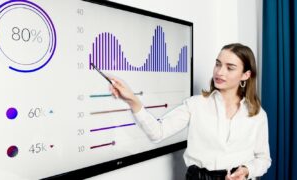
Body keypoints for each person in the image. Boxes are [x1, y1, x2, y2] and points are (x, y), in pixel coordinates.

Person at [109, 43, 271, 180]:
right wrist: (133, 100)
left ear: (245, 75)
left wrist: (247, 170)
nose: (220, 72)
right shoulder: (195, 105)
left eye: (230, 68)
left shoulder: (257, 114)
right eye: (218, 64)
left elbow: (263, 159)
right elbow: (157, 133)